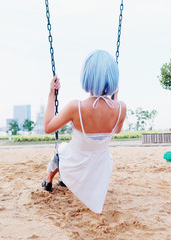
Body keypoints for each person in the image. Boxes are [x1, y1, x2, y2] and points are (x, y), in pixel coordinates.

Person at [42, 50, 127, 213]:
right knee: (64, 151)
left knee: (61, 151)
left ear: (86, 76)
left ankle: (48, 180)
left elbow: (48, 127)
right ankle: (52, 179)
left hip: (75, 164)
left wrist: (52, 93)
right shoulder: (121, 108)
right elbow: (116, 130)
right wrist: (114, 100)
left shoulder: (77, 107)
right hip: (99, 167)